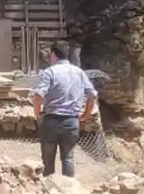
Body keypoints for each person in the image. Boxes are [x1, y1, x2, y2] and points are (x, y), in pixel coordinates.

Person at [31, 45, 97, 177]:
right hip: (71, 121)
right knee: (68, 157)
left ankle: (49, 190)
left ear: (54, 54)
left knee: (48, 159)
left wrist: (37, 113)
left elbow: (38, 95)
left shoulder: (50, 72)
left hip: (51, 120)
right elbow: (92, 95)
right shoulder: (79, 72)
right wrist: (85, 115)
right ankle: (69, 190)